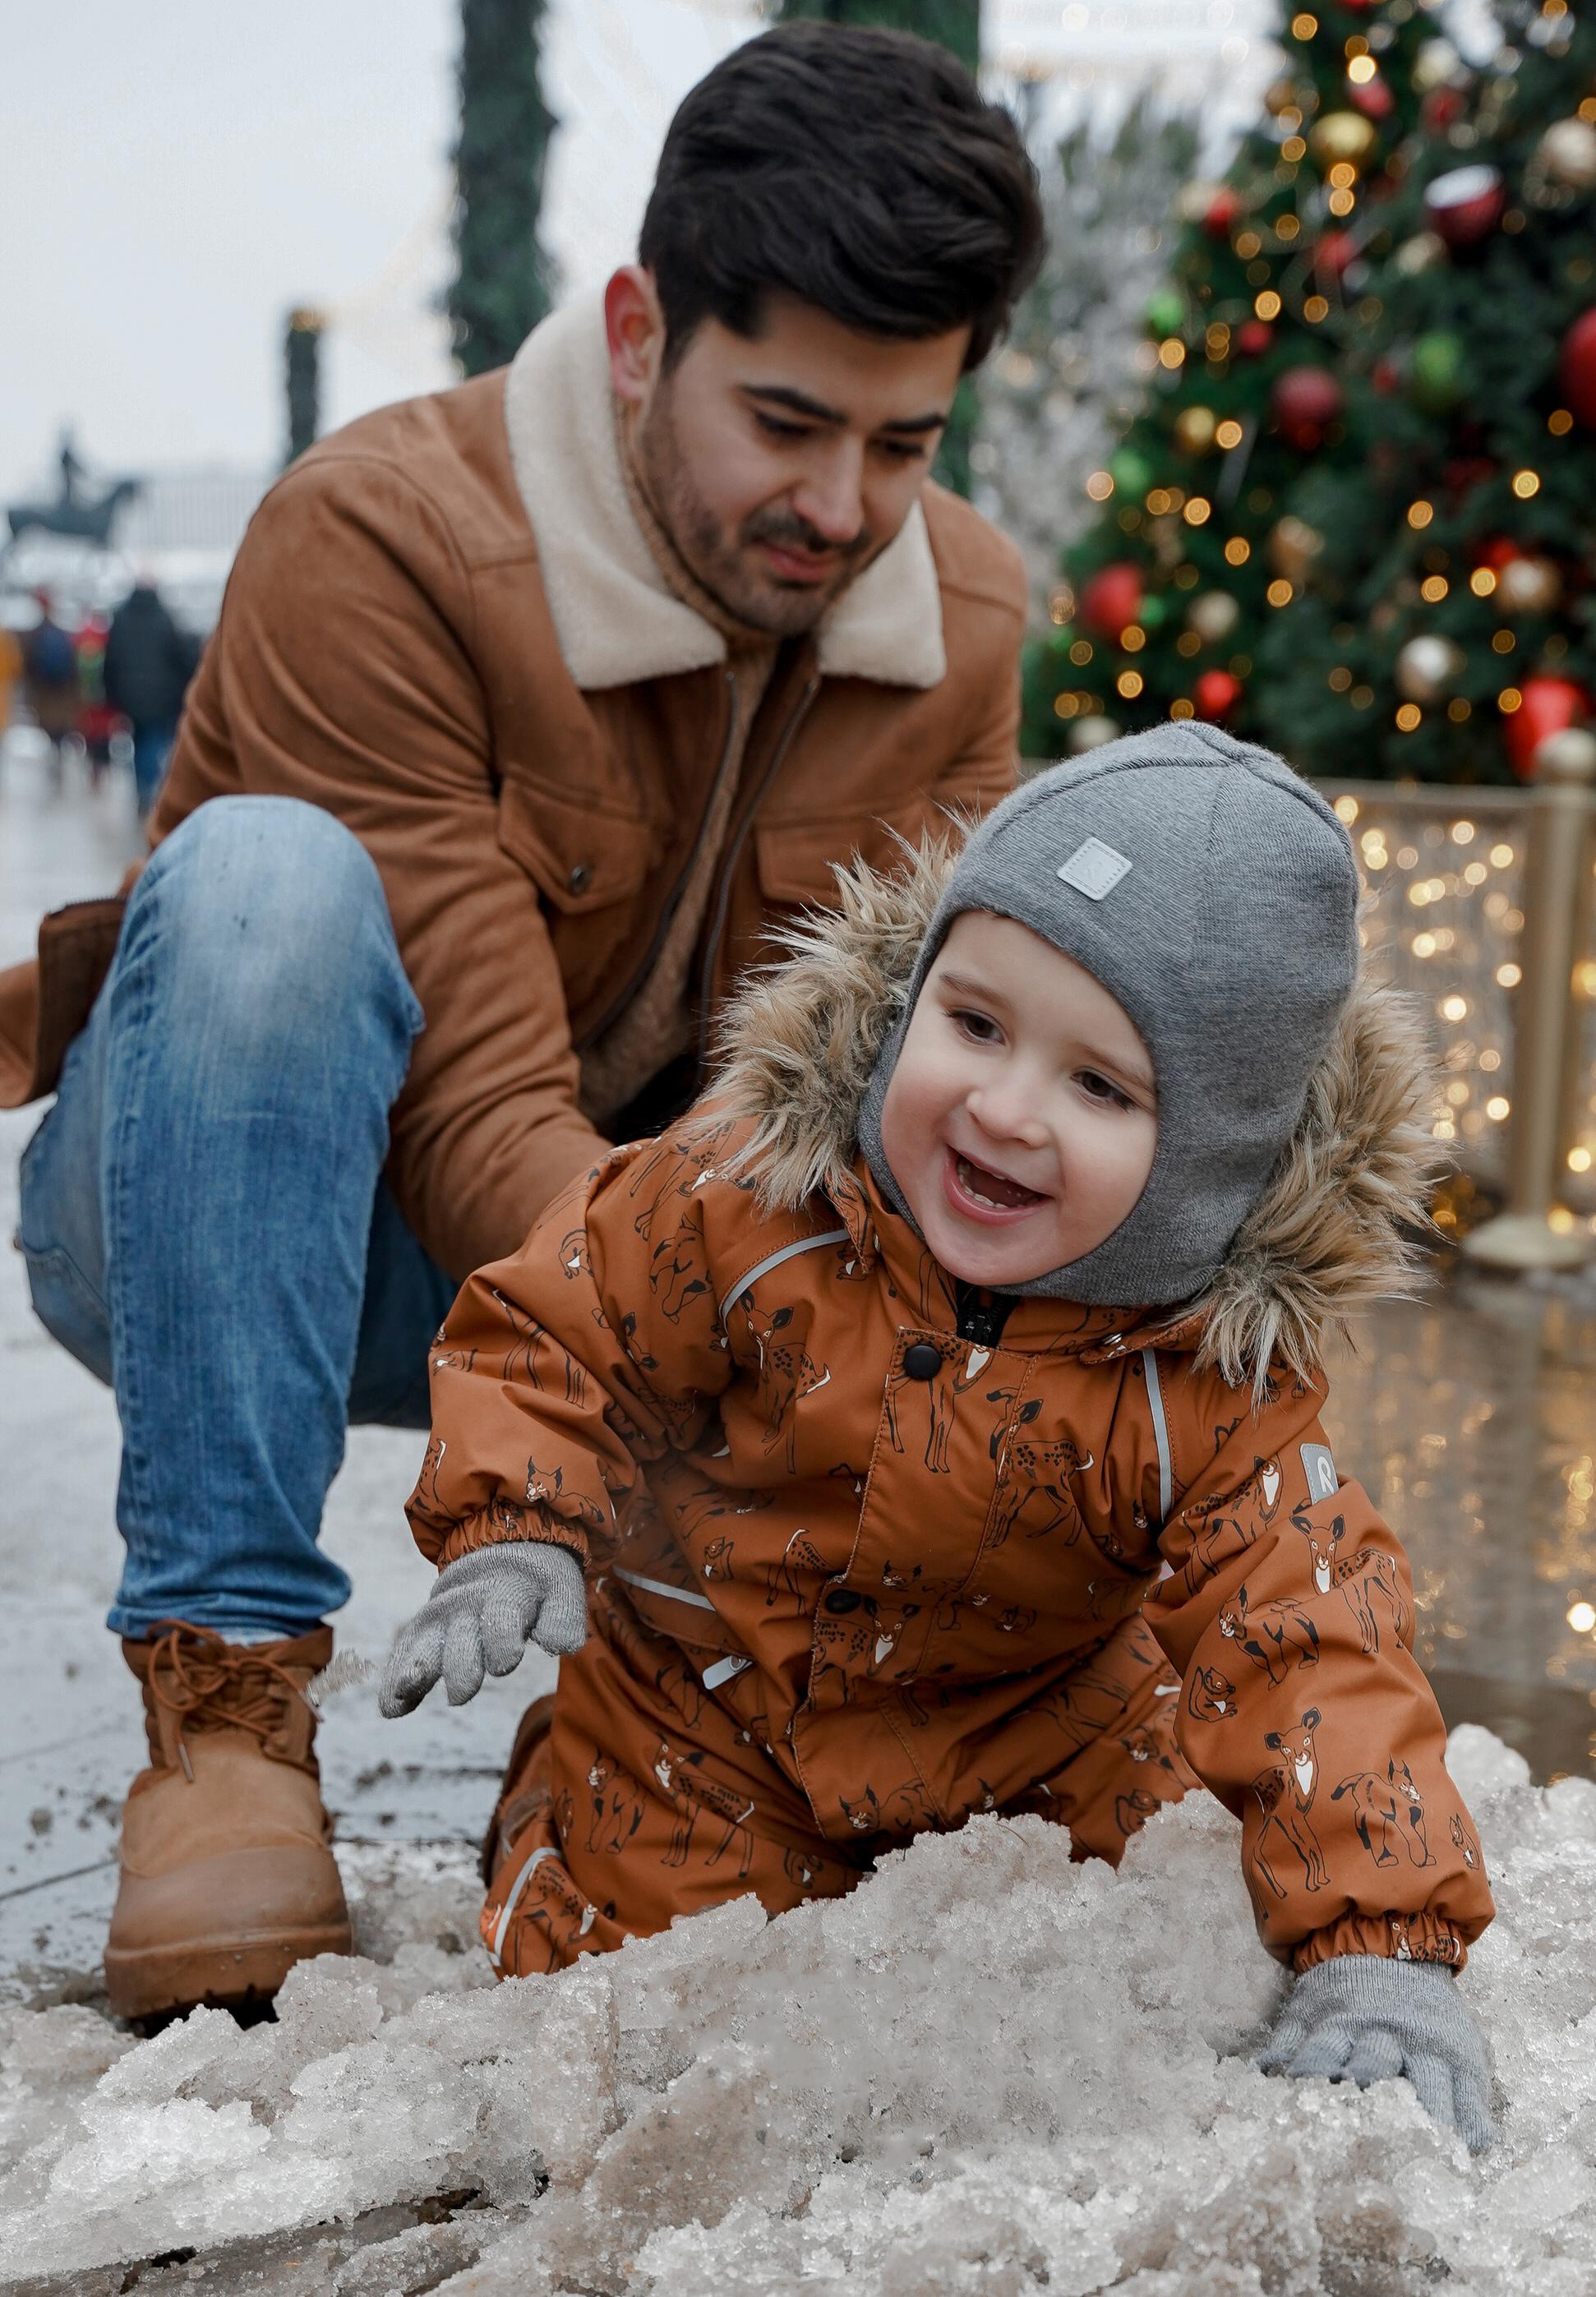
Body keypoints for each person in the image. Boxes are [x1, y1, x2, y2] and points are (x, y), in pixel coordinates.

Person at [0, 21, 1041, 2023]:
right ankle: (225, 1716)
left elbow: (911, 1095)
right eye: (789, 421)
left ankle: (638, 1731)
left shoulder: (961, 615)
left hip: (636, 1291)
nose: (843, 505)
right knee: (265, 881)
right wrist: (729, 1354)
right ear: (642, 329)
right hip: (239, 1226)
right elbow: (475, 1101)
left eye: (904, 444)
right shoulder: (380, 534)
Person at [384, 723, 1497, 2152]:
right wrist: (511, 1523)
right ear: (911, 994)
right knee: (631, 2025)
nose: (1000, 1107)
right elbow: (560, 1321)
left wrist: (1380, 1946)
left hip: (1028, 1745)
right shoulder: (746, 1199)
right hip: (706, 1711)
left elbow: (1314, 1639)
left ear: (1211, 1161)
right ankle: (554, 1799)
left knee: (1121, 1969)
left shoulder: (1205, 1388)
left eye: (1100, 1088)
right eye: (973, 1024)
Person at [102, 579, 195, 814]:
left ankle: (143, 788)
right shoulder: (165, 619)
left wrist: (111, 693)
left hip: (130, 697)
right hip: (162, 697)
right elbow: (181, 657)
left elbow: (111, 659)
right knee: (154, 742)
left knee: (139, 740)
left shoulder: (121, 618)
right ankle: (150, 785)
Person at [20, 591, 79, 763]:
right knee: (60, 725)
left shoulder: (34, 635)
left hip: (43, 691)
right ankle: (59, 752)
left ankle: (54, 754)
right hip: (61, 691)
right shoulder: (62, 633)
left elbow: (27, 666)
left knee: (49, 725)